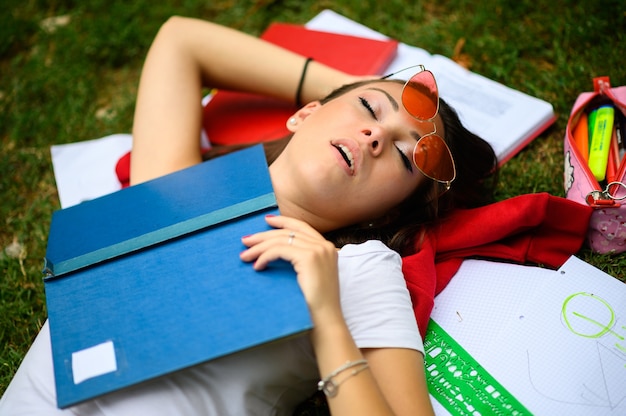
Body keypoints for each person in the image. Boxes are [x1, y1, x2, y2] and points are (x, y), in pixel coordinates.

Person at [0, 16, 497, 416]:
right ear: (304, 113)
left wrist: (326, 318)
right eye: (369, 110)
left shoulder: (359, 270)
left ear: (387, 213)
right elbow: (181, 40)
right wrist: (352, 92)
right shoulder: (173, 194)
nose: (376, 137)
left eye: (407, 157)